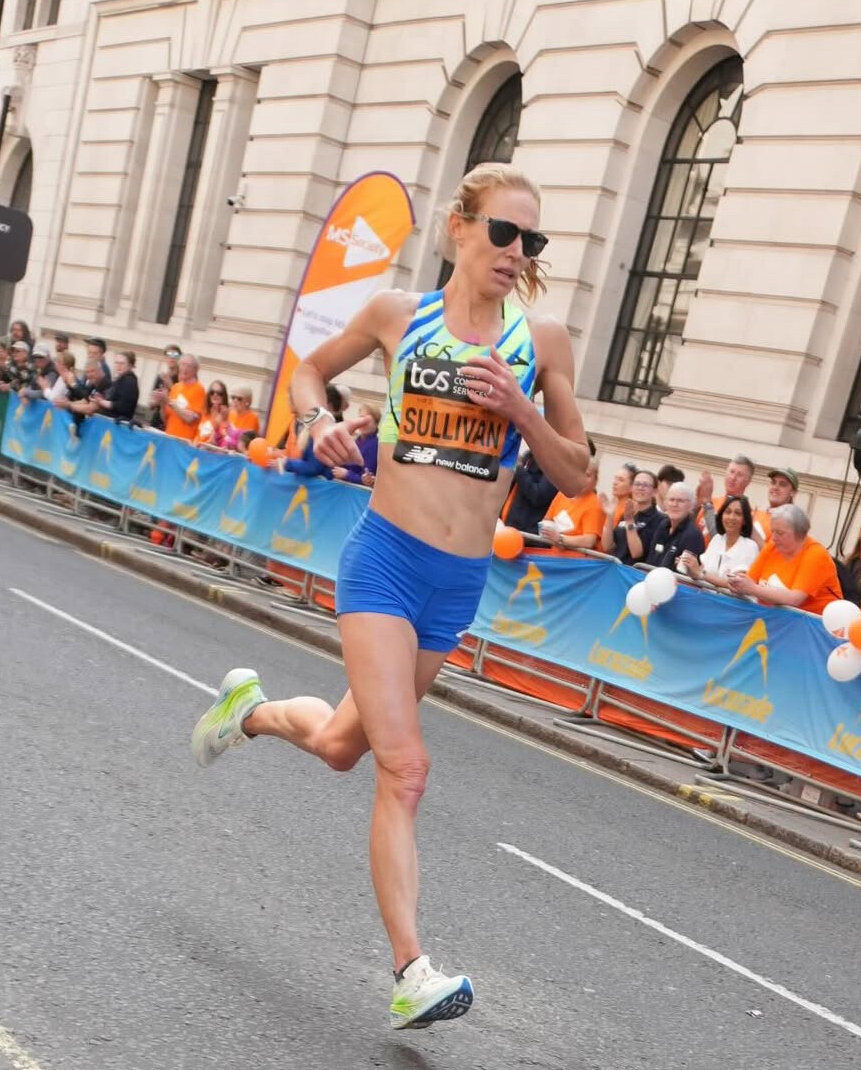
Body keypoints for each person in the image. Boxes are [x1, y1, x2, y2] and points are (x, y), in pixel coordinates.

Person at [189, 162, 589, 1029]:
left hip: (458, 584)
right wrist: (318, 421)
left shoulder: (543, 341)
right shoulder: (397, 317)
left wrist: (522, 410)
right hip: (385, 563)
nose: (517, 252)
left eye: (532, 240)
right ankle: (412, 971)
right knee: (404, 769)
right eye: (503, 232)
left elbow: (579, 473)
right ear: (459, 228)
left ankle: (248, 710)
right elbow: (308, 372)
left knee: (342, 746)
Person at [729, 503, 842, 614]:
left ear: (799, 533)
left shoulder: (816, 554)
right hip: (775, 617)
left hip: (813, 622)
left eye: (780, 533)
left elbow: (795, 599)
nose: (773, 538)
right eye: (772, 531)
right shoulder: (772, 547)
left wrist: (752, 589)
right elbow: (750, 580)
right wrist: (738, 583)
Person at [681, 494, 758, 586]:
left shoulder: (750, 546)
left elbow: (735, 584)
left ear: (745, 520)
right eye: (727, 512)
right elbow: (701, 571)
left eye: (738, 513)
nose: (731, 517)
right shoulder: (717, 539)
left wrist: (701, 574)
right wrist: (690, 568)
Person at [539, 455, 605, 550]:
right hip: (554, 553)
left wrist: (560, 539)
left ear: (596, 480)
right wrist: (549, 532)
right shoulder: (563, 494)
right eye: (579, 473)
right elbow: (547, 521)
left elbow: (589, 541)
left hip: (576, 558)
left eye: (587, 475)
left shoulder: (595, 504)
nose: (582, 479)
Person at [601, 469, 660, 564]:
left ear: (654, 491)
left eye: (645, 485)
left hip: (632, 571)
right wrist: (610, 516)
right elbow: (607, 546)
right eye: (637, 484)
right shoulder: (628, 513)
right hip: (615, 567)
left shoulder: (658, 519)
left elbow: (636, 553)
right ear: (631, 488)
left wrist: (629, 521)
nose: (640, 488)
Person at [641, 482, 705, 570]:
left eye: (680, 501)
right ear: (665, 503)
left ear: (691, 506)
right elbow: (649, 560)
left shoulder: (692, 535)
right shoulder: (662, 526)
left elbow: (686, 573)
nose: (675, 504)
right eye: (671, 500)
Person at [696, 454, 755, 541]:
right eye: (731, 472)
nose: (733, 478)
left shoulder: (744, 513)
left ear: (748, 481)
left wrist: (707, 502)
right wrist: (696, 505)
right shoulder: (712, 502)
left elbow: (720, 540)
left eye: (739, 475)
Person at [500, 448, 558, 533]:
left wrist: (519, 469)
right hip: (505, 524)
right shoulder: (528, 455)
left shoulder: (555, 465)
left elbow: (538, 496)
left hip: (527, 531)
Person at [158, 353, 205, 440]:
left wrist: (169, 402)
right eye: (182, 364)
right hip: (169, 437)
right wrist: (162, 402)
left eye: (188, 365)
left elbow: (190, 419)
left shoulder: (199, 389)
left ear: (195, 370)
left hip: (184, 442)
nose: (184, 368)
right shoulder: (175, 387)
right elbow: (165, 419)